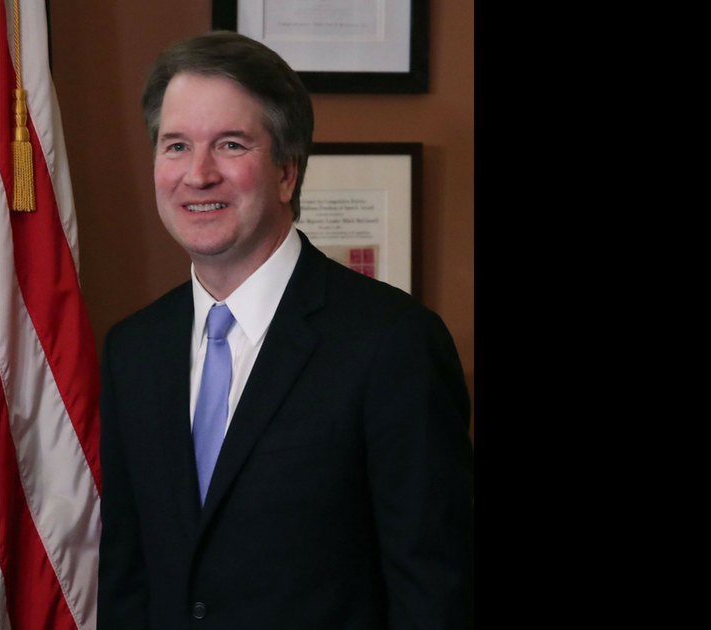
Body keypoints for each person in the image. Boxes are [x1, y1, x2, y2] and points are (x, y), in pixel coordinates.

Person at [98, 31, 474, 629]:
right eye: (175, 146)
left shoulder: (393, 342)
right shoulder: (131, 351)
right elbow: (126, 581)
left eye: (229, 144)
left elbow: (435, 595)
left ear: (286, 173)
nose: (197, 175)